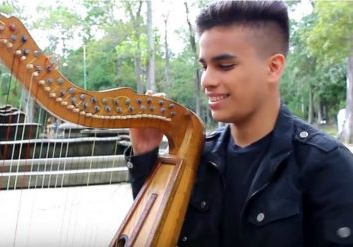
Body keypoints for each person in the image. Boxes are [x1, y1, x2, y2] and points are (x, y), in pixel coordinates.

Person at [125, 1, 353, 246]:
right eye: (204, 66)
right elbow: (155, 235)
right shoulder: (195, 158)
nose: (207, 80)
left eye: (224, 66)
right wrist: (145, 156)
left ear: (273, 67)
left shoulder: (326, 165)